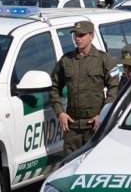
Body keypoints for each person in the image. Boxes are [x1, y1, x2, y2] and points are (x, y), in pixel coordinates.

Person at [50, 20, 120, 154]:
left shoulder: (104, 60)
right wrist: (60, 113)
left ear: (91, 36)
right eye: (76, 35)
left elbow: (114, 89)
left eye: (81, 35)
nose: (78, 38)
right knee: (69, 165)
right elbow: (54, 88)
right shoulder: (66, 60)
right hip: (72, 126)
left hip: (95, 125)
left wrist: (103, 115)